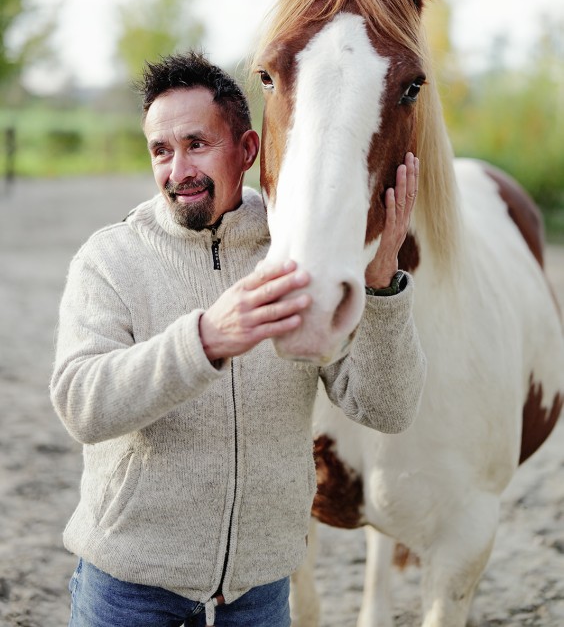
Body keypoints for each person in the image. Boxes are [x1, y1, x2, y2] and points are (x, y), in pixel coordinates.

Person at [51, 51, 425, 627]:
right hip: (129, 592)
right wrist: (205, 340)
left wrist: (381, 288)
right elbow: (81, 403)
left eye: (197, 144)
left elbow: (386, 406)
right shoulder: (110, 260)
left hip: (261, 595)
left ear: (248, 150)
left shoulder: (295, 256)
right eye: (161, 150)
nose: (179, 171)